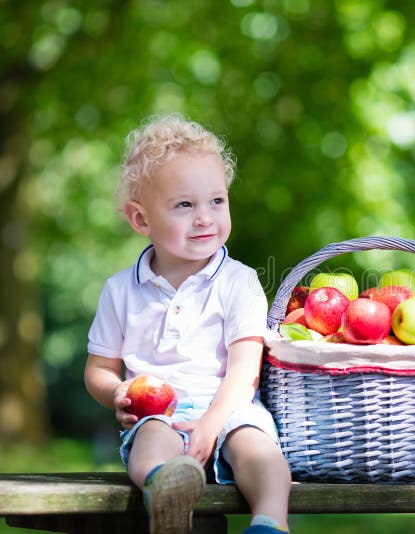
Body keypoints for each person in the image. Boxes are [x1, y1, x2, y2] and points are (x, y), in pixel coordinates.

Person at [84, 113, 291, 534]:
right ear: (141, 220)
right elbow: (99, 369)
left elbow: (244, 370)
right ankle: (167, 488)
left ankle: (270, 522)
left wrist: (213, 422)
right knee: (152, 441)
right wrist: (117, 392)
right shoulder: (121, 290)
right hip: (162, 410)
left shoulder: (240, 281)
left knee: (259, 450)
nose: (205, 218)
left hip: (229, 408)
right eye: (184, 205)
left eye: (217, 201)